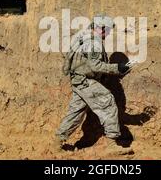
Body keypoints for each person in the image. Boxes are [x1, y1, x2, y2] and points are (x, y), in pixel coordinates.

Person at [53, 14, 134, 155]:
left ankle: (57, 142)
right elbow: (95, 66)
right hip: (86, 81)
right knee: (108, 102)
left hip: (78, 80)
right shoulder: (94, 42)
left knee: (76, 112)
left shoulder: (81, 36)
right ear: (102, 28)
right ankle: (112, 144)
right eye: (108, 30)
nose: (108, 33)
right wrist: (117, 68)